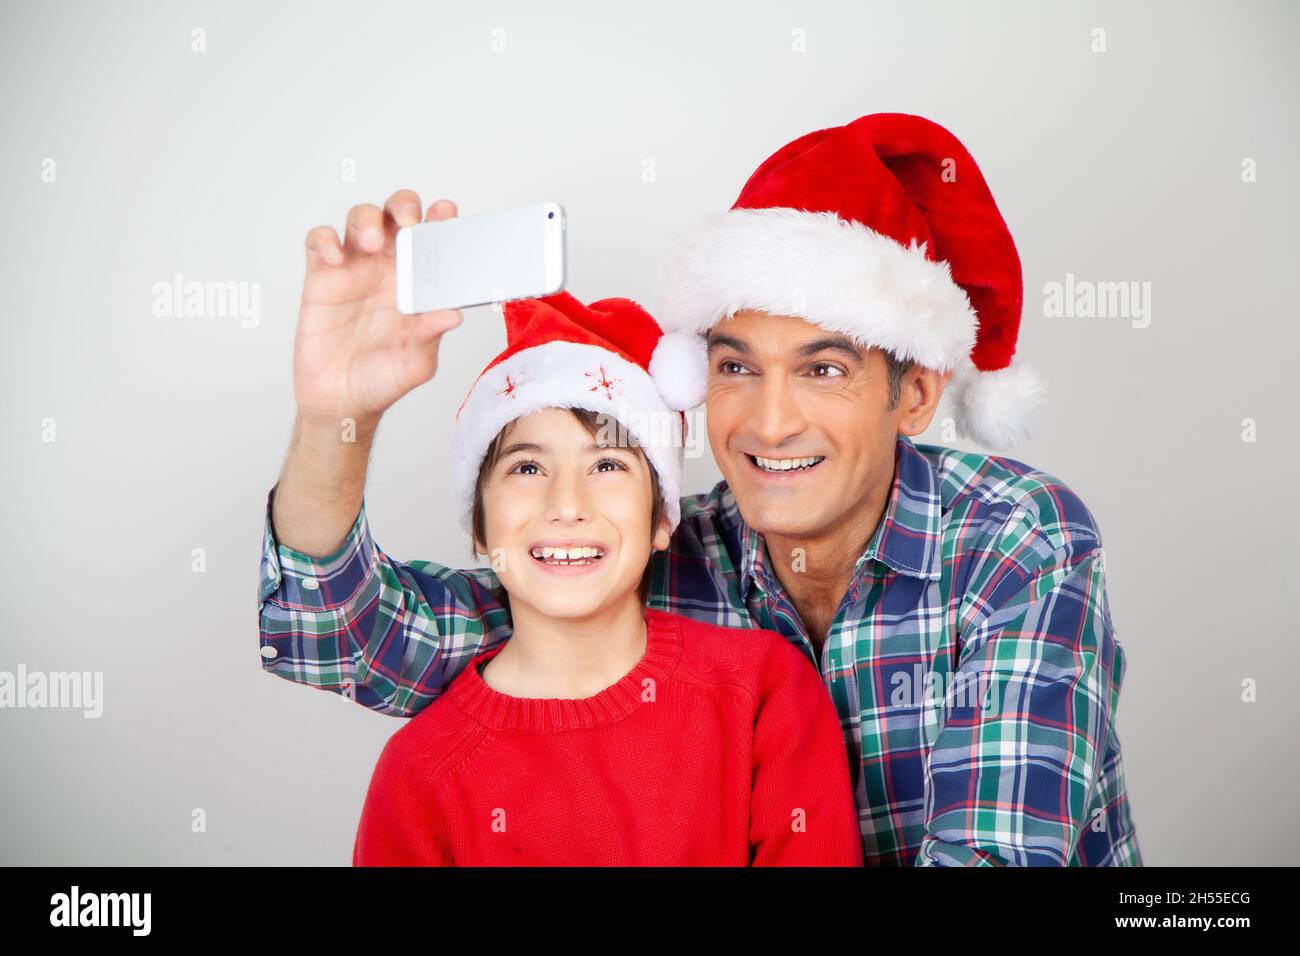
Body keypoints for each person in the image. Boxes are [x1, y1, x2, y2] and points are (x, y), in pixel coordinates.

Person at [260, 112, 1141, 866]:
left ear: (915, 395)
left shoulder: (1019, 541)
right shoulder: (657, 553)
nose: (767, 423)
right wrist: (338, 415)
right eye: (735, 367)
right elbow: (341, 636)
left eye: (824, 369)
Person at [347, 293, 862, 865]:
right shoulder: (421, 770)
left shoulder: (762, 692)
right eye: (527, 467)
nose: (567, 505)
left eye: (607, 466)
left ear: (661, 521)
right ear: (479, 528)